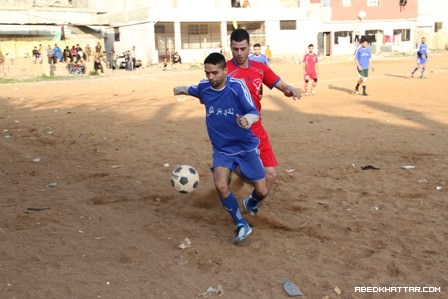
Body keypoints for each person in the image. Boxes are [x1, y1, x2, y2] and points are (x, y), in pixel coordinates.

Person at [173, 52, 268, 244]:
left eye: (215, 73)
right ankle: (241, 224)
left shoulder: (236, 87)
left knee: (262, 190)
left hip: (244, 147)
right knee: (221, 185)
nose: (210, 77)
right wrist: (178, 89)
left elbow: (253, 111)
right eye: (207, 73)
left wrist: (247, 120)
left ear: (225, 70)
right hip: (222, 149)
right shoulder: (204, 87)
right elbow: (191, 89)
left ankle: (250, 202)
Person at [226, 28, 299, 215]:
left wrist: (289, 89)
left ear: (249, 47)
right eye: (235, 49)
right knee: (256, 177)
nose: (239, 54)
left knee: (271, 176)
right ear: (231, 48)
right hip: (235, 131)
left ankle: (251, 202)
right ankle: (234, 166)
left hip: (257, 129)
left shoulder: (259, 67)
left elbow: (280, 84)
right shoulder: (225, 71)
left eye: (243, 49)